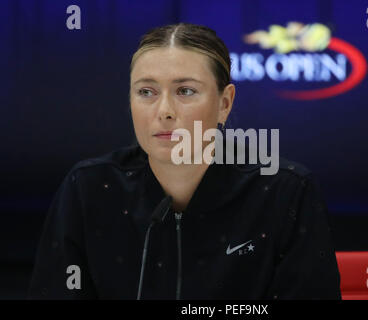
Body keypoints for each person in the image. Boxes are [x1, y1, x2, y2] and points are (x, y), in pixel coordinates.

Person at [28, 23, 341, 300]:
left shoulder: (285, 191)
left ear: (224, 103)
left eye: (186, 90)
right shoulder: (88, 187)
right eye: (146, 91)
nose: (164, 110)